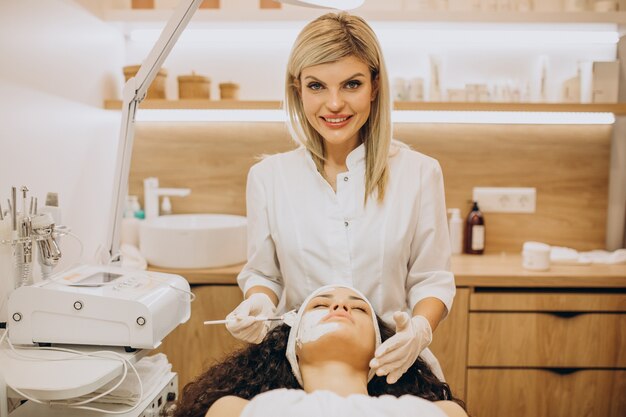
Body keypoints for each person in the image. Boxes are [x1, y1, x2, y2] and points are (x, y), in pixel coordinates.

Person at [226, 11, 455, 384]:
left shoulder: (419, 173)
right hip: (300, 370)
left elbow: (432, 279)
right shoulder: (269, 178)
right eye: (317, 86)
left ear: (375, 86)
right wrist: (259, 302)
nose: (334, 104)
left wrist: (418, 331)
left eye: (351, 84)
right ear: (297, 88)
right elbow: (265, 274)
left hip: (394, 364)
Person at [175, 285, 467, 417]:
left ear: (384, 348)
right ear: (292, 349)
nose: (340, 306)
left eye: (358, 307)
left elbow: (435, 277)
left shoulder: (440, 413)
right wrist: (261, 297)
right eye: (319, 305)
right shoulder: (234, 410)